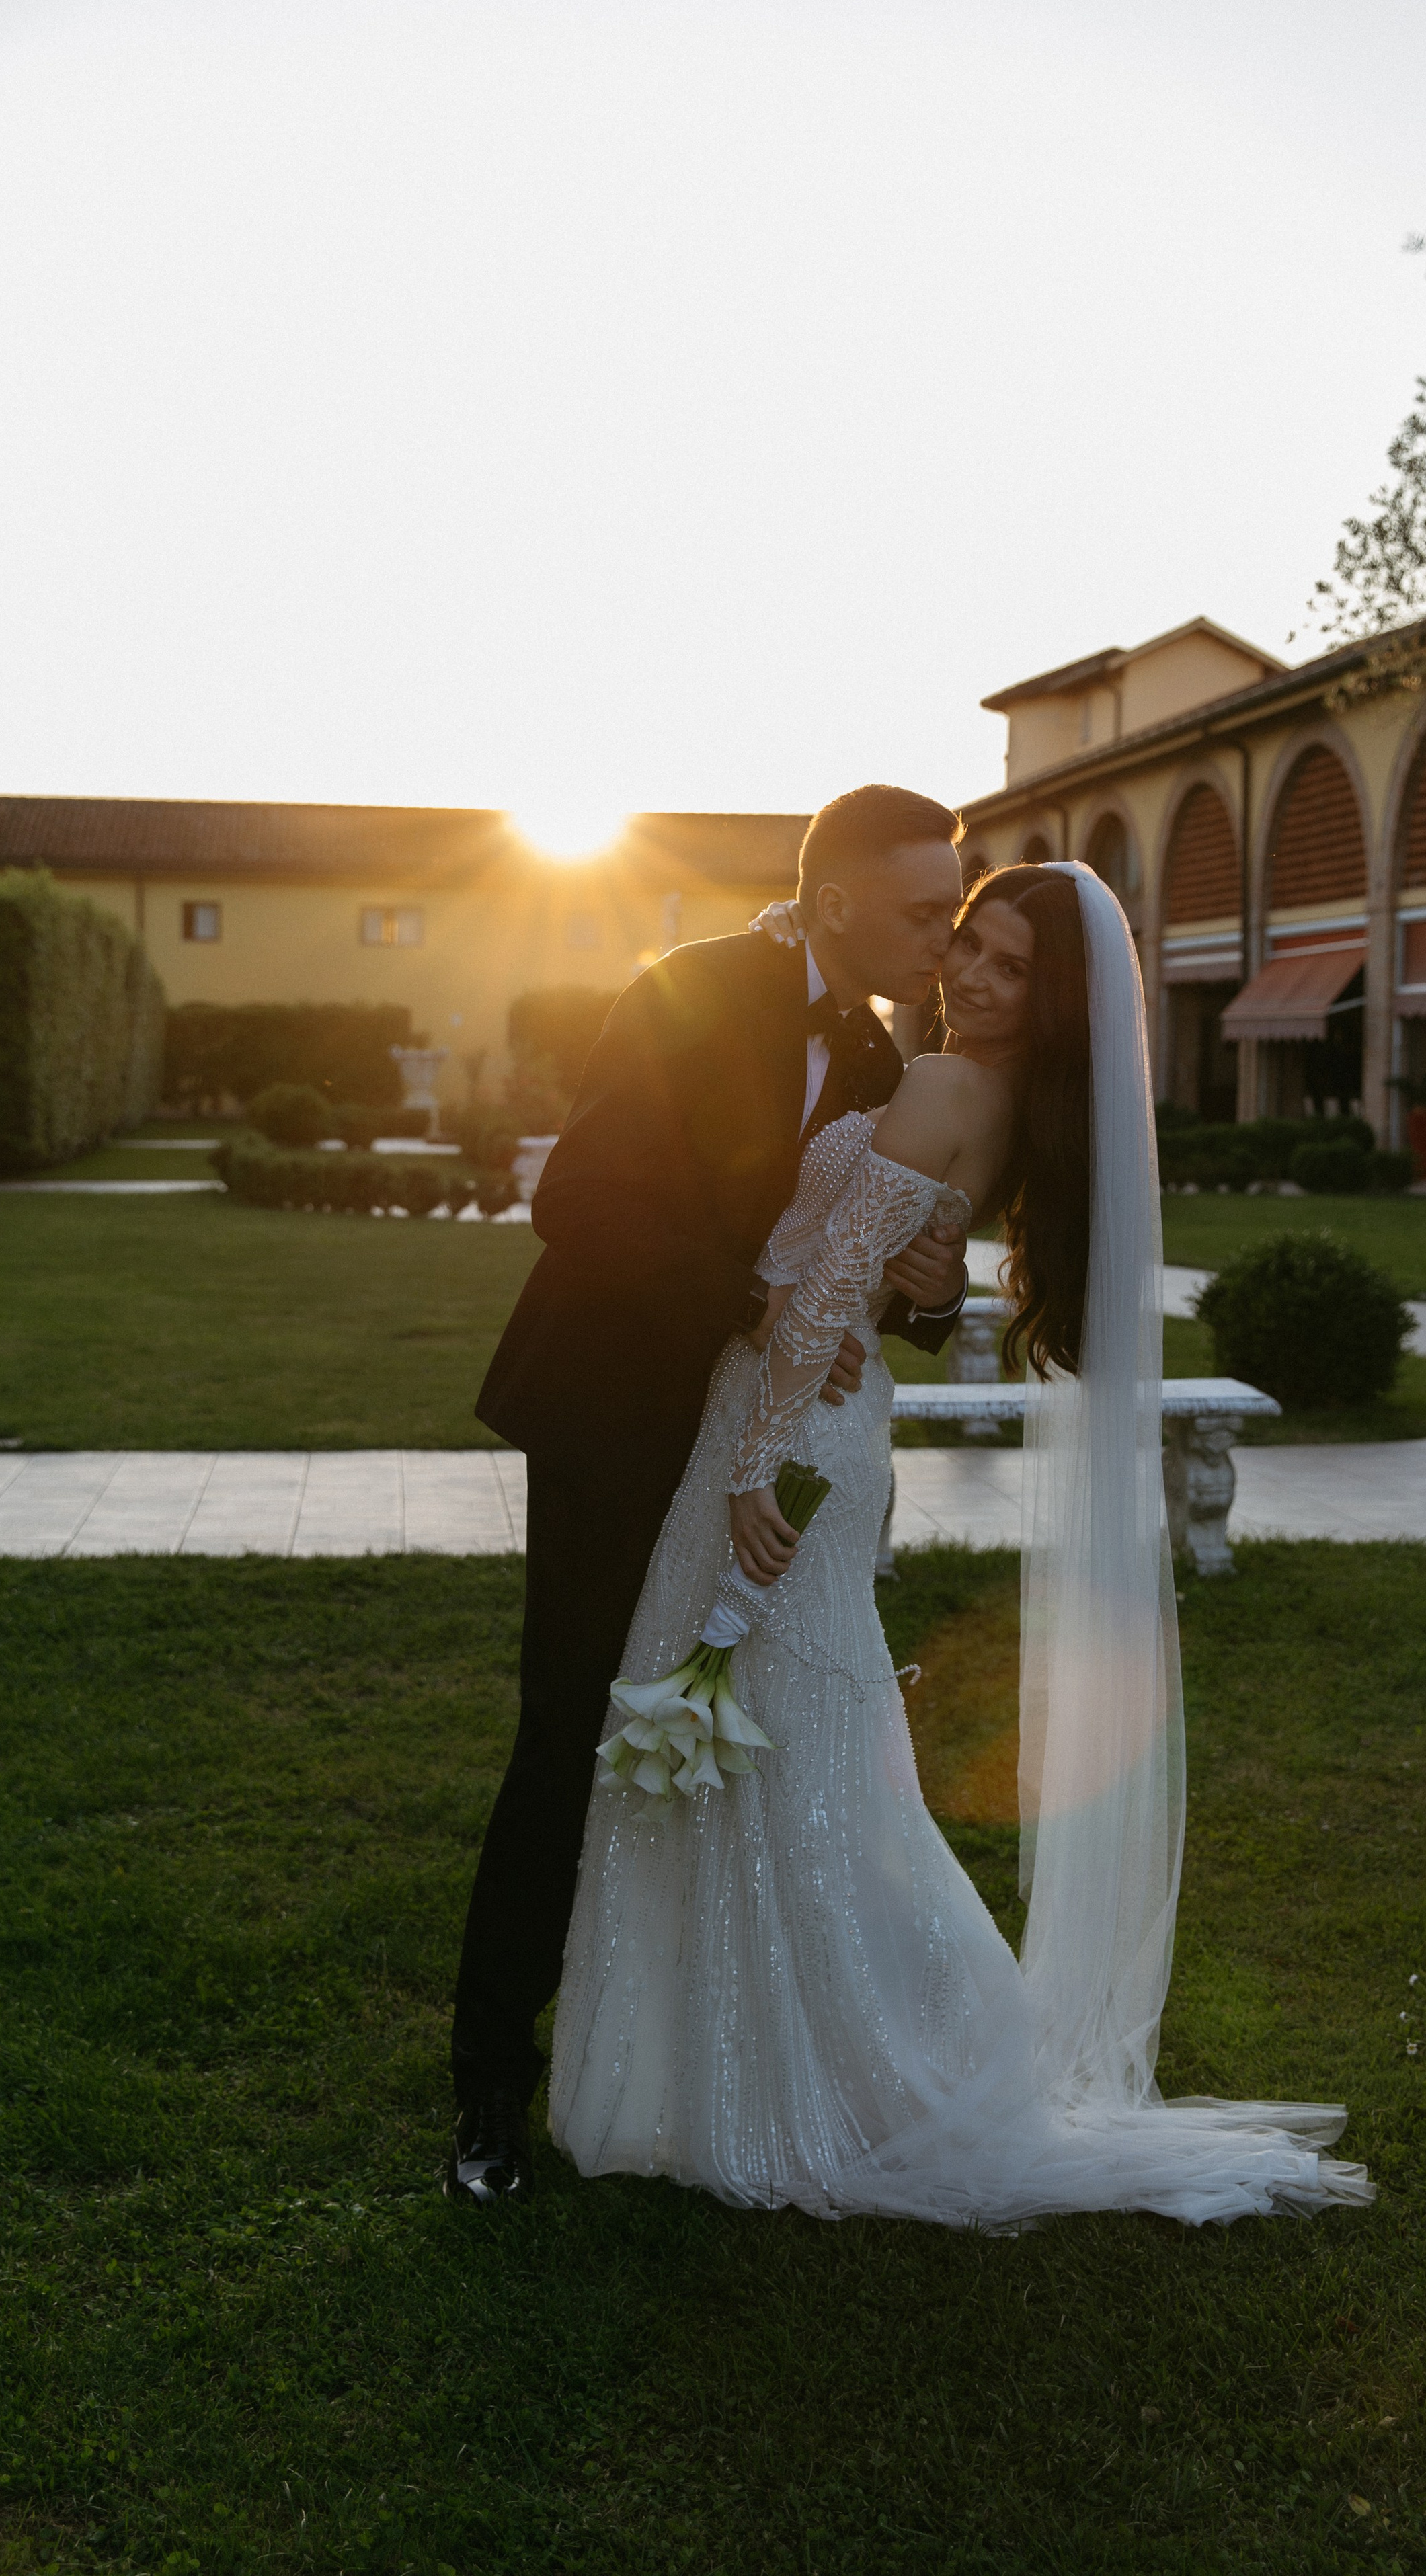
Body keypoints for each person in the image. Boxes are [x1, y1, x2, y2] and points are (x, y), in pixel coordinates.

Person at [547, 860, 1374, 2228]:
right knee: (793, 1739)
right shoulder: (981, 1097)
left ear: (1053, 1001)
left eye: (1008, 966)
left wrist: (754, 1465)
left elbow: (817, 1301)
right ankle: (760, 2059)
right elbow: (875, 1277)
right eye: (967, 945)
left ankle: (849, 2065)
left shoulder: (938, 1088)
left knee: (786, 1744)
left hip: (784, 1433)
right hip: (820, 1418)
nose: (973, 976)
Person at [447, 786, 974, 2203]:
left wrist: (934, 1287)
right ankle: (490, 2092)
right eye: (927, 910)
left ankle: (692, 2061)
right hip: (618, 1411)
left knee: (737, 1743)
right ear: (844, 900)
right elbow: (584, 1202)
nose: (946, 935)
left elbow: (872, 1245)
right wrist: (748, 1300)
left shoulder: (886, 1054)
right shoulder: (686, 988)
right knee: (568, 1724)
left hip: (759, 1437)